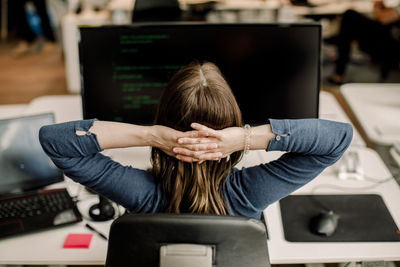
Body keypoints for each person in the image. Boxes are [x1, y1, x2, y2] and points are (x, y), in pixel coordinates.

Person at [39, 62, 353, 219]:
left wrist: (151, 134)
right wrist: (244, 138)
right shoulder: (248, 195)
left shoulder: (144, 196)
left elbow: (55, 141)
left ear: (162, 117)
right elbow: (337, 138)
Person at [329, 1, 400, 84]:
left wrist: (377, 4)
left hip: (391, 44)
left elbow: (383, 18)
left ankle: (338, 74)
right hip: (389, 37)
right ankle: (339, 73)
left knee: (349, 17)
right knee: (350, 18)